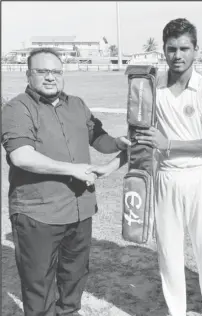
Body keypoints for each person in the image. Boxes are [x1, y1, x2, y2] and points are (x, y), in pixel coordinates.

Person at [92, 18, 202, 316]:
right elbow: (140, 139)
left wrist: (168, 144)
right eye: (172, 49)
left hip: (200, 177)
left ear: (196, 50)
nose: (178, 55)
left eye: (184, 48)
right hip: (165, 178)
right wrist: (112, 164)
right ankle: (176, 311)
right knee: (168, 254)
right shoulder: (152, 90)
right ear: (163, 50)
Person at [1, 47, 131, 316]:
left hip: (80, 210)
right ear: (28, 75)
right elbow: (21, 156)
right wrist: (72, 169)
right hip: (38, 214)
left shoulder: (77, 105)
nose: (51, 77)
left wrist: (117, 143)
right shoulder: (17, 108)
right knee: (39, 286)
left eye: (56, 71)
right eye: (43, 71)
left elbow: (99, 139)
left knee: (74, 278)